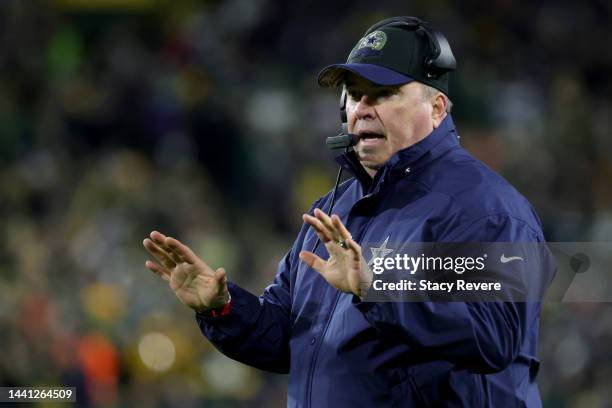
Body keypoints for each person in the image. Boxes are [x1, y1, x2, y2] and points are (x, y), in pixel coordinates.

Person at [143, 16, 553, 407]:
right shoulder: (334, 207)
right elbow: (289, 338)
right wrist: (222, 307)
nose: (362, 108)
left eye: (384, 94)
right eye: (355, 95)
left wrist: (377, 287)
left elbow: (493, 337)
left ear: (438, 108)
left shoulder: (485, 208)